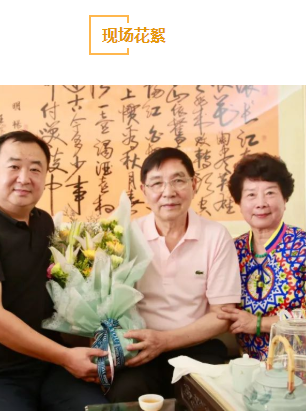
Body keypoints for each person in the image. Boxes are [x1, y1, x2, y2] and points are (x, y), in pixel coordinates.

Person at [0, 130, 108, 410]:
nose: (24, 178)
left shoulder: (43, 223)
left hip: (49, 367)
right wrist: (66, 357)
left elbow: (63, 289)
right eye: (14, 166)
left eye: (35, 169)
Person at [106, 147, 241, 402]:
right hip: (141, 347)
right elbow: (107, 303)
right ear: (144, 191)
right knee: (126, 396)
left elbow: (222, 316)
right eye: (157, 183)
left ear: (194, 184)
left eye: (178, 180)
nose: (168, 192)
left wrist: (164, 341)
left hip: (196, 346)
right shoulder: (126, 236)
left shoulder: (216, 236)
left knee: (206, 399)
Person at [217, 153, 306, 361]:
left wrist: (259, 324)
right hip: (253, 366)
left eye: (270, 193)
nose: (261, 203)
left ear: (285, 199)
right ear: (239, 202)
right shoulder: (232, 249)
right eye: (251, 195)